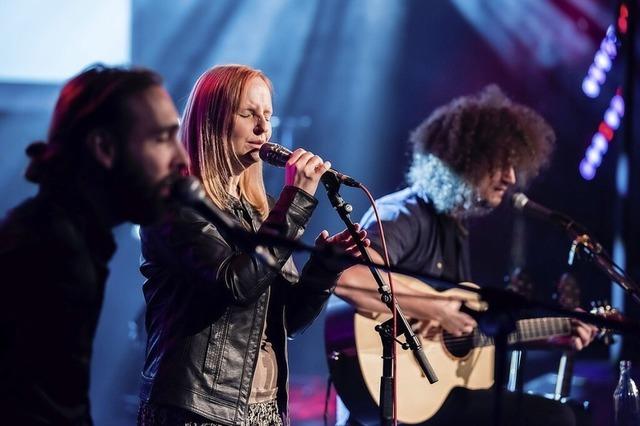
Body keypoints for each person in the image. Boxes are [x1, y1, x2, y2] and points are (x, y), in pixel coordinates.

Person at [334, 85, 598, 426]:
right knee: (555, 417)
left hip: (432, 398)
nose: (511, 177)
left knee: (566, 412)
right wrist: (437, 309)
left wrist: (550, 337)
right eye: (499, 164)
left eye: (514, 165)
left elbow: (465, 334)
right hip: (393, 401)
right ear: (463, 159)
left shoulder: (455, 228)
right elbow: (351, 280)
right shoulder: (402, 214)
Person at [137, 64, 368, 426]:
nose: (263, 128)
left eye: (267, 115)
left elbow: (288, 319)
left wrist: (324, 267)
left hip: (263, 409)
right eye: (248, 114)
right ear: (211, 122)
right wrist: (296, 201)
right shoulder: (173, 205)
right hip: (199, 408)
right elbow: (236, 284)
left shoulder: (261, 212)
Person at [0, 64, 189, 425]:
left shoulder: (62, 235)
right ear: (103, 147)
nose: (182, 160)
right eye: (163, 138)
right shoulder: (52, 253)